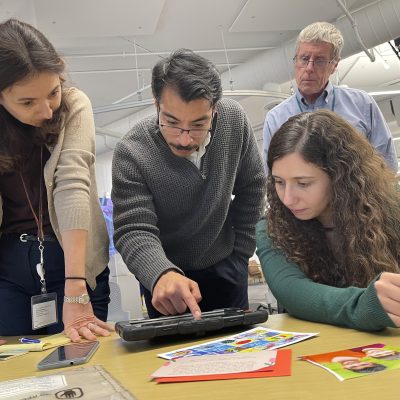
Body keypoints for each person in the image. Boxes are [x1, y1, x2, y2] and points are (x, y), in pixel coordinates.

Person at [112, 49, 266, 319]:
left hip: (226, 268)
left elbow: (252, 187)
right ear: (155, 104)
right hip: (165, 282)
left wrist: (241, 256)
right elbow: (134, 229)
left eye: (198, 124)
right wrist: (160, 273)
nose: (184, 139)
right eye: (171, 123)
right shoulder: (131, 151)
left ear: (214, 110)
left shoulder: (234, 121)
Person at [0, 19, 113, 341]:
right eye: (27, 102)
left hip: (74, 259)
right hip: (8, 265)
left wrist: (76, 289)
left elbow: (73, 184)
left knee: (80, 359)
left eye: (53, 92)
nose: (47, 111)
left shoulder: (74, 104)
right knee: (12, 371)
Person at [256, 109, 400, 331]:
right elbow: (293, 291)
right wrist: (362, 305)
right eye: (279, 182)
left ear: (339, 176)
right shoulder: (271, 228)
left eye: (303, 183)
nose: (288, 198)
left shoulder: (391, 209)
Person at [262, 21, 398, 172]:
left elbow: (387, 164)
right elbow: (270, 175)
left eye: (319, 61)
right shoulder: (276, 117)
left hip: (355, 194)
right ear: (295, 60)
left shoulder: (362, 104)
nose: (309, 68)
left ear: (334, 65)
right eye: (304, 58)